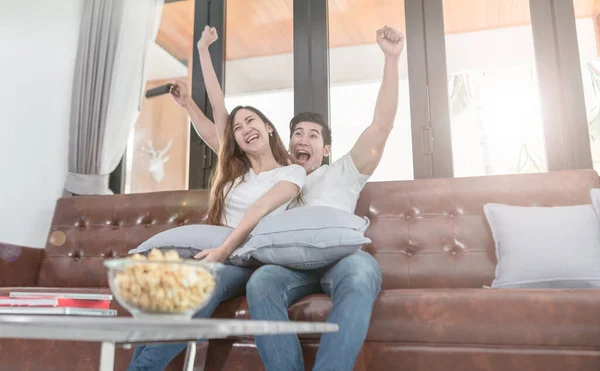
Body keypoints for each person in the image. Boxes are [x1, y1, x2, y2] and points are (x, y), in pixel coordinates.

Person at [126, 28, 306, 371]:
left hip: (248, 260)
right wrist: (201, 56)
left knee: (200, 284)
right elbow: (217, 104)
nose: (244, 129)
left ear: (268, 127)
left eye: (251, 120)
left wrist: (224, 251)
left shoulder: (290, 172)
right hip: (217, 255)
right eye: (237, 128)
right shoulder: (236, 172)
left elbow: (260, 209)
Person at [245, 26, 404, 371]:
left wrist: (391, 60)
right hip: (288, 267)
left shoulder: (344, 170)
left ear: (326, 149)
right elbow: (227, 140)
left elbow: (382, 125)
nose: (303, 139)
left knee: (363, 271)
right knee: (260, 281)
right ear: (289, 146)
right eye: (297, 134)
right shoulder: (279, 180)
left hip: (340, 261)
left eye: (313, 135)